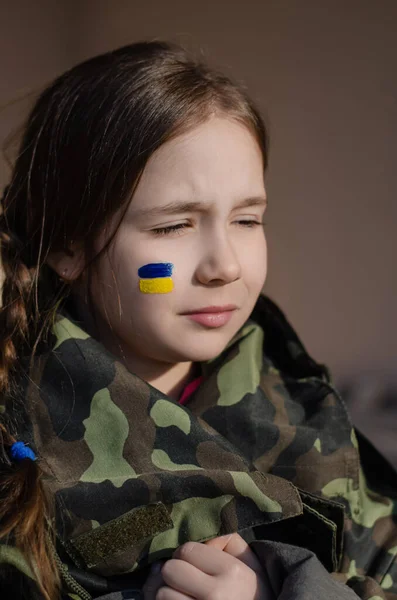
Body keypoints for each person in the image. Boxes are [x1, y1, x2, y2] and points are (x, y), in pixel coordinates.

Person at [0, 41, 396, 600]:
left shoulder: (310, 420)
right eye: (172, 226)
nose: (225, 265)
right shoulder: (16, 449)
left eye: (247, 218)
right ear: (69, 246)